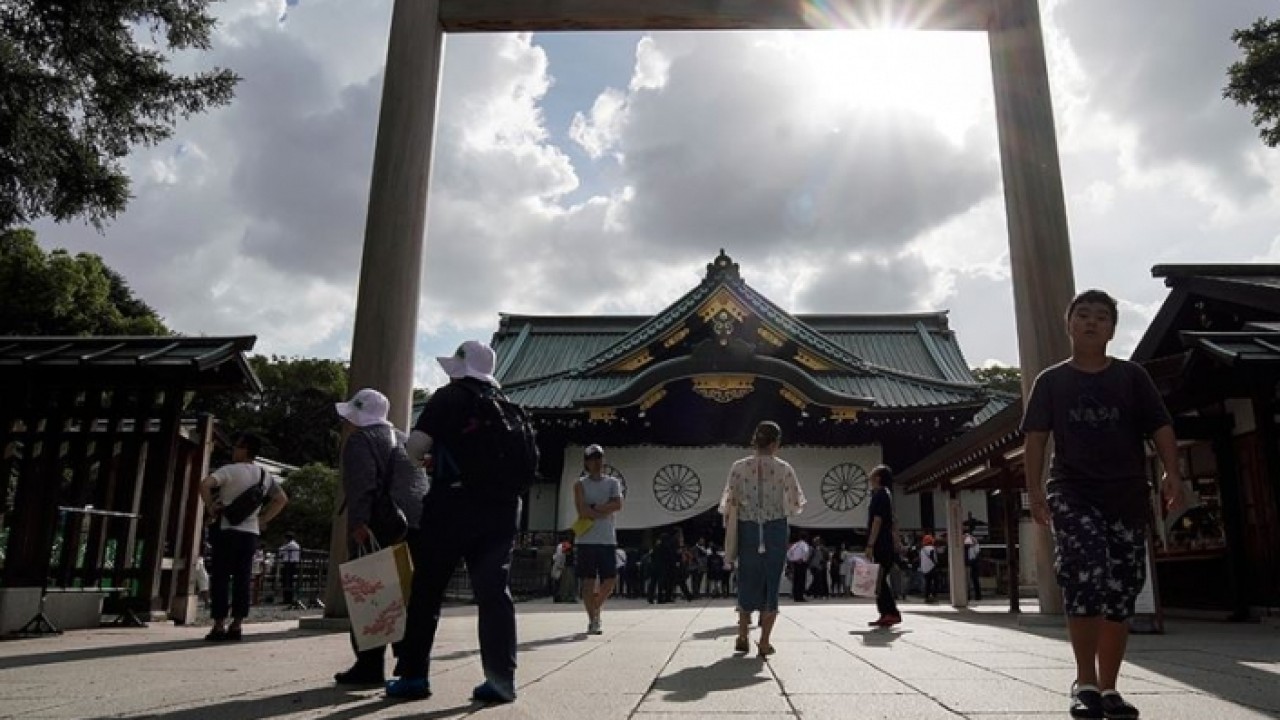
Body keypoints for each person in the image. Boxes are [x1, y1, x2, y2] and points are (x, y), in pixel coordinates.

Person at [1021, 289, 1182, 720]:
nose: (1092, 322)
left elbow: (1161, 426)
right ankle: (1085, 682)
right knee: (1084, 572)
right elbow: (1035, 438)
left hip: (1126, 493)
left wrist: (1173, 472)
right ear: (1069, 324)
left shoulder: (1132, 377)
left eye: (1101, 317)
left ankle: (1109, 687)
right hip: (1073, 490)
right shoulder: (1051, 381)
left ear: (1112, 329)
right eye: (1083, 315)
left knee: (1122, 588)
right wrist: (1034, 490)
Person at [390, 341, 523, 704]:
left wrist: (432, 460)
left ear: (460, 369)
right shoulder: (506, 404)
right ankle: (501, 680)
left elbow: (414, 448)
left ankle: (413, 676)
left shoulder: (448, 397)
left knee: (427, 590)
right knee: (494, 593)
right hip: (501, 510)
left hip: (452, 506)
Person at [332, 387, 429, 686]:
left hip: (379, 525)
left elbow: (362, 485)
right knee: (406, 596)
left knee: (370, 593)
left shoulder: (361, 440)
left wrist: (359, 523)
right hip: (413, 526)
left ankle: (369, 664)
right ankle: (408, 663)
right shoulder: (403, 439)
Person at [720, 420, 806, 658]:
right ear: (776, 443)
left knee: (746, 578)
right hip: (774, 528)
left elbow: (728, 502)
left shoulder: (738, 467)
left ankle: (742, 635)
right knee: (771, 581)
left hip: (747, 528)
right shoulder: (784, 468)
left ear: (754, 441)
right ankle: (765, 641)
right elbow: (796, 504)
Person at [198, 432, 288, 642]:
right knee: (243, 578)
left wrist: (210, 506)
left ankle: (219, 624)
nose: (234, 450)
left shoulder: (229, 470)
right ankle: (237, 624)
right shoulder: (264, 475)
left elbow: (204, 484)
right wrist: (263, 518)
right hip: (250, 533)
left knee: (220, 577)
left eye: (237, 446)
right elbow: (281, 499)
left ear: (245, 449)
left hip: (227, 530)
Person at [574, 444, 624, 635]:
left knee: (610, 580)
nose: (596, 462)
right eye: (592, 459)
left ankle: (595, 605)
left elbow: (618, 505)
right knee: (588, 581)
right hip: (586, 539)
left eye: (599, 458)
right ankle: (593, 620)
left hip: (607, 538)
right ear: (586, 462)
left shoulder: (613, 483)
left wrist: (594, 507)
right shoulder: (580, 484)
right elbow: (582, 510)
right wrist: (604, 509)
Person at [865, 465, 901, 627]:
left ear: (878, 478)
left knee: (878, 579)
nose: (869, 477)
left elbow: (877, 521)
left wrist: (870, 544)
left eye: (872, 474)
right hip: (885, 542)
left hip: (881, 543)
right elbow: (893, 521)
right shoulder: (885, 494)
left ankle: (891, 613)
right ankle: (887, 613)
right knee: (879, 579)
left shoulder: (880, 495)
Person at [786, 531, 811, 602]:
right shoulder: (805, 545)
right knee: (801, 580)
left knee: (796, 580)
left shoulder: (795, 544)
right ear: (806, 538)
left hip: (795, 563)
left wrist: (792, 559)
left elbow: (788, 553)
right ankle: (800, 597)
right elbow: (806, 552)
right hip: (801, 563)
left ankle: (796, 596)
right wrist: (802, 559)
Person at [278, 533, 301, 605]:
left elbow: (280, 550)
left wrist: (283, 545)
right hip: (291, 563)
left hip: (289, 563)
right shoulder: (295, 544)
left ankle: (287, 599)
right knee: (288, 581)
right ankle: (288, 598)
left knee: (287, 581)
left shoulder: (290, 545)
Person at [919, 535, 939, 603]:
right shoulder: (932, 548)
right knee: (936, 581)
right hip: (932, 567)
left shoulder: (922, 549)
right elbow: (934, 558)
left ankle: (926, 597)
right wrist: (936, 563)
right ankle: (933, 595)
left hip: (924, 568)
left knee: (927, 583)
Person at [963, 531, 982, 601]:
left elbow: (977, 553)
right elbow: (977, 552)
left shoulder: (972, 542)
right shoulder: (973, 542)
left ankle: (975, 595)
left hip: (971, 563)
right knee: (971, 580)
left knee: (972, 580)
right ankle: (972, 595)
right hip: (970, 562)